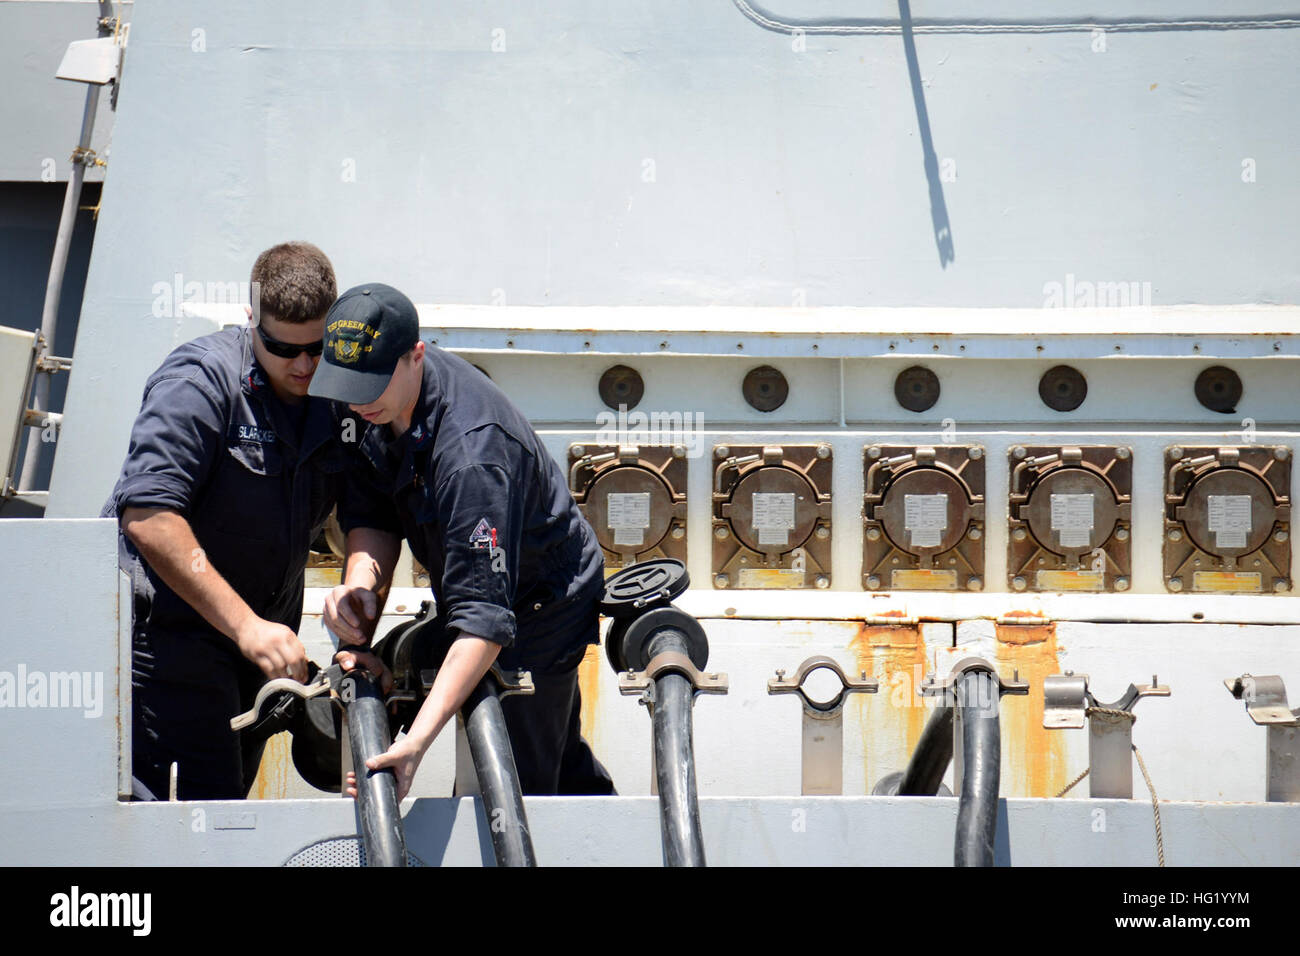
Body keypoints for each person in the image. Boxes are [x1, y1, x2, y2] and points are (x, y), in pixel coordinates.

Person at [309, 282, 615, 799]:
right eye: (346, 385)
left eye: (370, 386)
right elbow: (373, 514)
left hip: (542, 606)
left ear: (416, 356)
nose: (356, 402)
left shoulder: (472, 455)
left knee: (515, 782)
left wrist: (415, 748)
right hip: (476, 596)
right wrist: (362, 591)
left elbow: (484, 623)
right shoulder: (368, 395)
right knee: (552, 756)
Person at [103, 241, 342, 801]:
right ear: (250, 318)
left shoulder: (332, 392)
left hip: (255, 657)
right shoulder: (199, 382)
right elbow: (149, 516)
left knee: (229, 818)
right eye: (284, 347)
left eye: (317, 348)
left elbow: (359, 502)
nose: (304, 366)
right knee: (193, 828)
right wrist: (246, 627)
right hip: (171, 648)